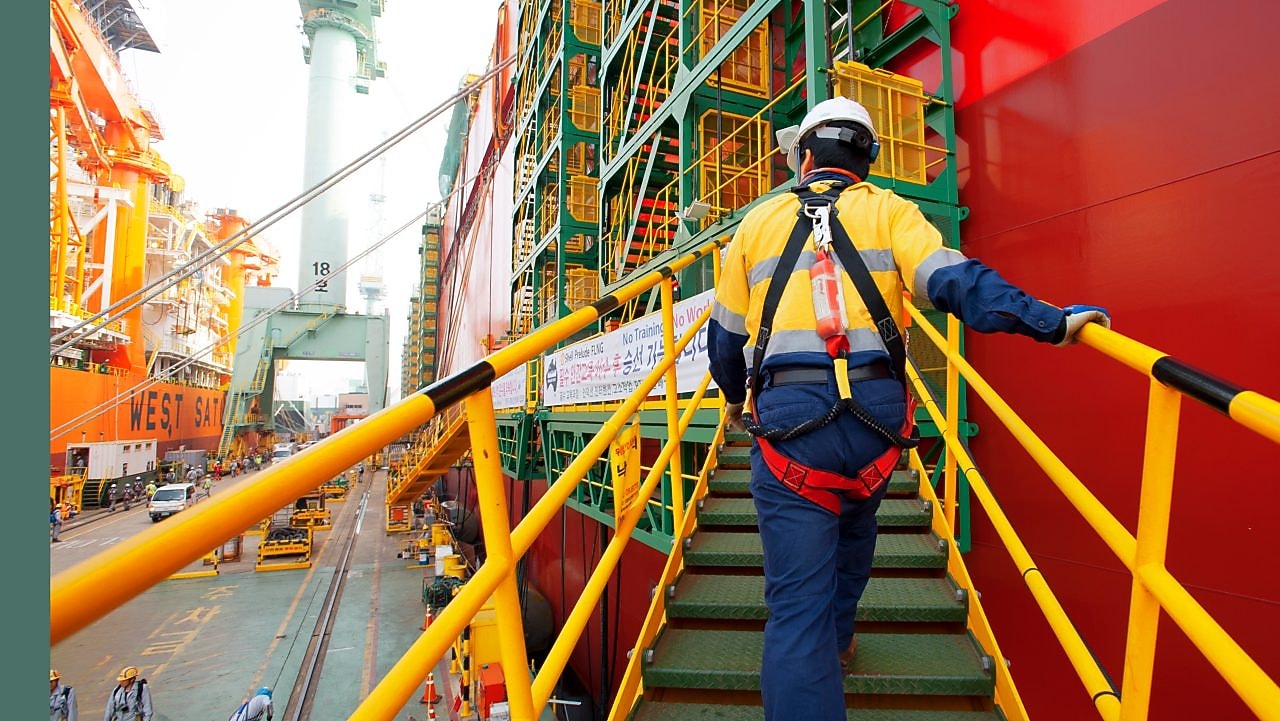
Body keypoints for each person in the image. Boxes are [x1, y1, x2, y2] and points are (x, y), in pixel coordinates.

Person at [706, 96, 1111, 721]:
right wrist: (1051, 322)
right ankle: (842, 637)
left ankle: (822, 642)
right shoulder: (893, 212)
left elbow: (726, 341)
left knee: (795, 612)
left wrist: (737, 400)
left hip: (788, 427)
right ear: (865, 160)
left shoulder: (756, 225)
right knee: (856, 527)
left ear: (804, 156)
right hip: (875, 421)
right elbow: (956, 283)